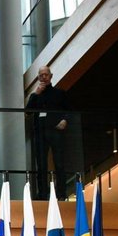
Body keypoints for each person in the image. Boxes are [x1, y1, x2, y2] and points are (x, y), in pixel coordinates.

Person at [26, 66, 71, 199]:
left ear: (50, 76)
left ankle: (61, 193)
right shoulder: (35, 96)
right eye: (41, 75)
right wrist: (36, 94)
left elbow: (69, 110)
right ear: (38, 77)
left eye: (46, 75)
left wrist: (65, 120)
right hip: (40, 132)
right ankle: (43, 194)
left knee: (59, 162)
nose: (43, 77)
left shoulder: (59, 93)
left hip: (55, 130)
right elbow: (28, 111)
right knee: (41, 164)